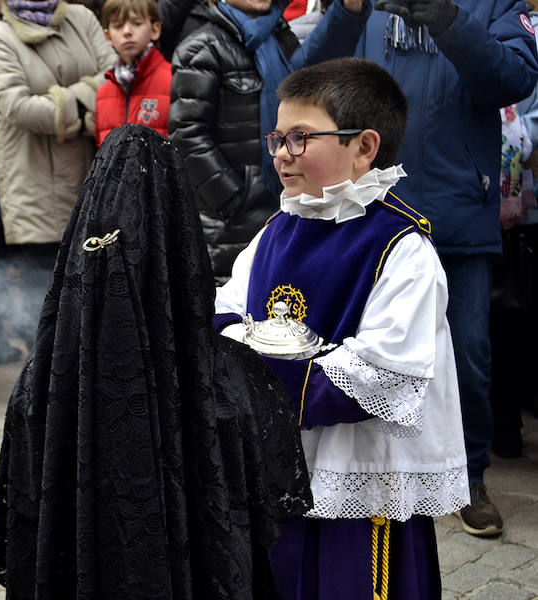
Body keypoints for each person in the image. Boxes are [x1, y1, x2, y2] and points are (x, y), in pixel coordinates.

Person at [0, 125, 312, 599]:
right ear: (180, 234)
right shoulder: (226, 379)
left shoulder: (42, 384)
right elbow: (270, 509)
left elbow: (23, 519)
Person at [214, 57, 468, 598]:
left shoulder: (402, 248)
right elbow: (228, 309)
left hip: (357, 483)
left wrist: (247, 374)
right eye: (277, 138)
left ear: (365, 147)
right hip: (278, 470)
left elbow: (380, 375)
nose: (282, 154)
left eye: (301, 138)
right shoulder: (278, 228)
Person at [355, 0, 538, 537]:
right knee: (374, 350)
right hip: (377, 211)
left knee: (469, 359)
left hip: (461, 210)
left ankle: (468, 477)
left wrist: (446, 18)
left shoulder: (493, 3)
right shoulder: (367, 7)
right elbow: (332, 87)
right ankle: (379, 473)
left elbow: (509, 80)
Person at [168, 0, 370, 285]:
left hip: (281, 205)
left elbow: (315, 72)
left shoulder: (279, 37)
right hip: (230, 222)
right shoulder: (202, 46)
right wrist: (235, 198)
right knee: (231, 315)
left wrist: (348, 10)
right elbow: (186, 135)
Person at [0, 0, 117, 347]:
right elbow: (19, 108)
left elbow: (113, 76)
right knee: (43, 312)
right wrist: (86, 107)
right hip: (35, 187)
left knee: (93, 302)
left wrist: (59, 103)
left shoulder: (82, 18)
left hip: (91, 177)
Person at [94, 0, 171, 145]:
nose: (127, 31)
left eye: (137, 23)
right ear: (108, 37)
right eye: (118, 26)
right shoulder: (103, 94)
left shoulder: (172, 81)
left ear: (155, 30)